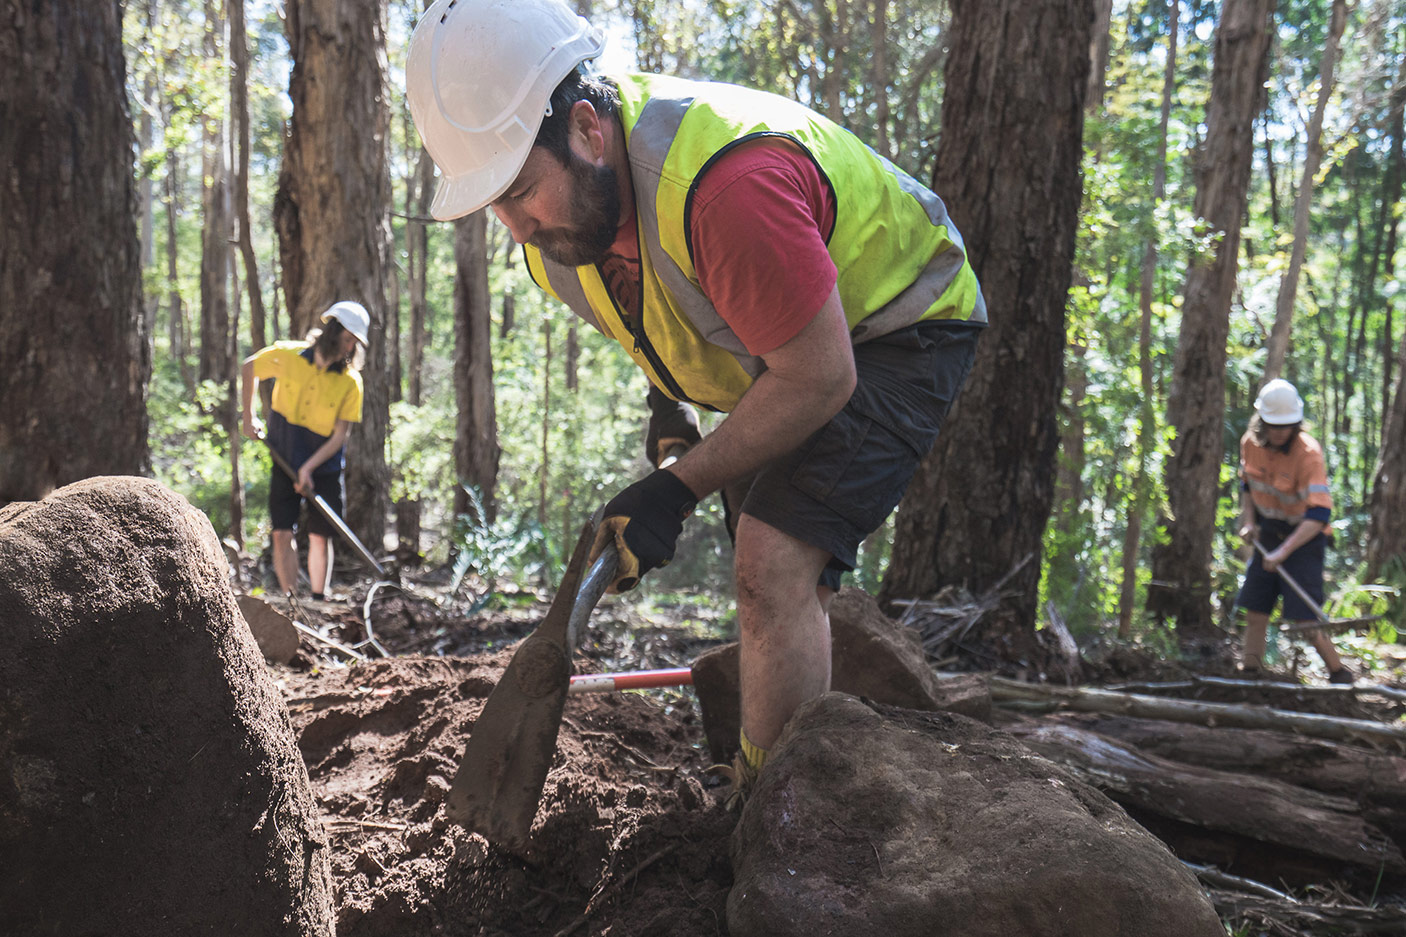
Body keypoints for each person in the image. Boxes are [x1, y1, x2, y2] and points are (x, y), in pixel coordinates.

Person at [406, 0, 984, 793]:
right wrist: (669, 409)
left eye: (521, 191)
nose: (514, 227)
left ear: (586, 128)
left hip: (898, 325)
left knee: (771, 557)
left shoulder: (725, 189)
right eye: (493, 203)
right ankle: (809, 768)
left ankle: (765, 808)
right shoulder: (559, 235)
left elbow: (819, 375)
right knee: (778, 568)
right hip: (782, 356)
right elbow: (657, 312)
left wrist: (675, 487)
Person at [240, 301, 368, 602]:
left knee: (320, 535)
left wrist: (309, 468)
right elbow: (250, 367)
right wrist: (249, 417)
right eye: (348, 338)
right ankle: (291, 603)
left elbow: (339, 437)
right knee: (282, 531)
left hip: (324, 464)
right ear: (333, 331)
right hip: (284, 454)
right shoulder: (289, 355)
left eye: (355, 342)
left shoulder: (351, 383)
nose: (350, 347)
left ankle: (318, 600)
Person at [1235, 378, 1353, 684]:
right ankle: (1250, 674)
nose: (1279, 432)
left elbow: (1319, 513)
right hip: (1268, 532)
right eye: (1273, 425)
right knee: (1256, 608)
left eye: (1285, 426)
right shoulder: (1250, 442)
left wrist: (1283, 552)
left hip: (1305, 538)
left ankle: (1339, 675)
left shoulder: (1308, 453)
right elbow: (1247, 484)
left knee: (1305, 617)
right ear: (1262, 422)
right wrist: (1248, 521)